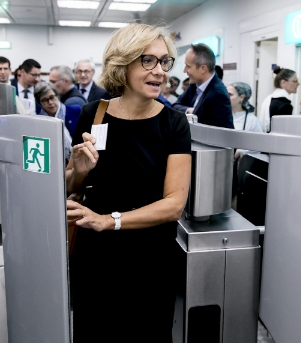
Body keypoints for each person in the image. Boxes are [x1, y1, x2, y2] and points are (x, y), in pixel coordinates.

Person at [65, 23, 191, 342]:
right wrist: (78, 169)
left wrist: (111, 221)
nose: (159, 71)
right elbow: (69, 184)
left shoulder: (173, 123)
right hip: (97, 258)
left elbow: (174, 204)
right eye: (148, 60)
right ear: (123, 64)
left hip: (150, 261)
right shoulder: (95, 114)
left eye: (165, 62)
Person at [173, 43, 233, 128]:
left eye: (188, 66)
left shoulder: (219, 95)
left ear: (203, 69)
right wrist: (189, 111)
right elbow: (175, 106)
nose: (184, 70)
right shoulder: (195, 84)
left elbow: (224, 135)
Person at [34, 82, 74, 161]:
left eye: (52, 97)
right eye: (45, 100)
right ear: (40, 103)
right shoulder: (38, 122)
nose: (50, 103)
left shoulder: (75, 112)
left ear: (57, 96)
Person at [257, 66, 299, 132]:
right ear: (283, 83)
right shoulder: (285, 105)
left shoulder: (270, 100)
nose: (298, 84)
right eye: (295, 81)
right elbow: (284, 132)